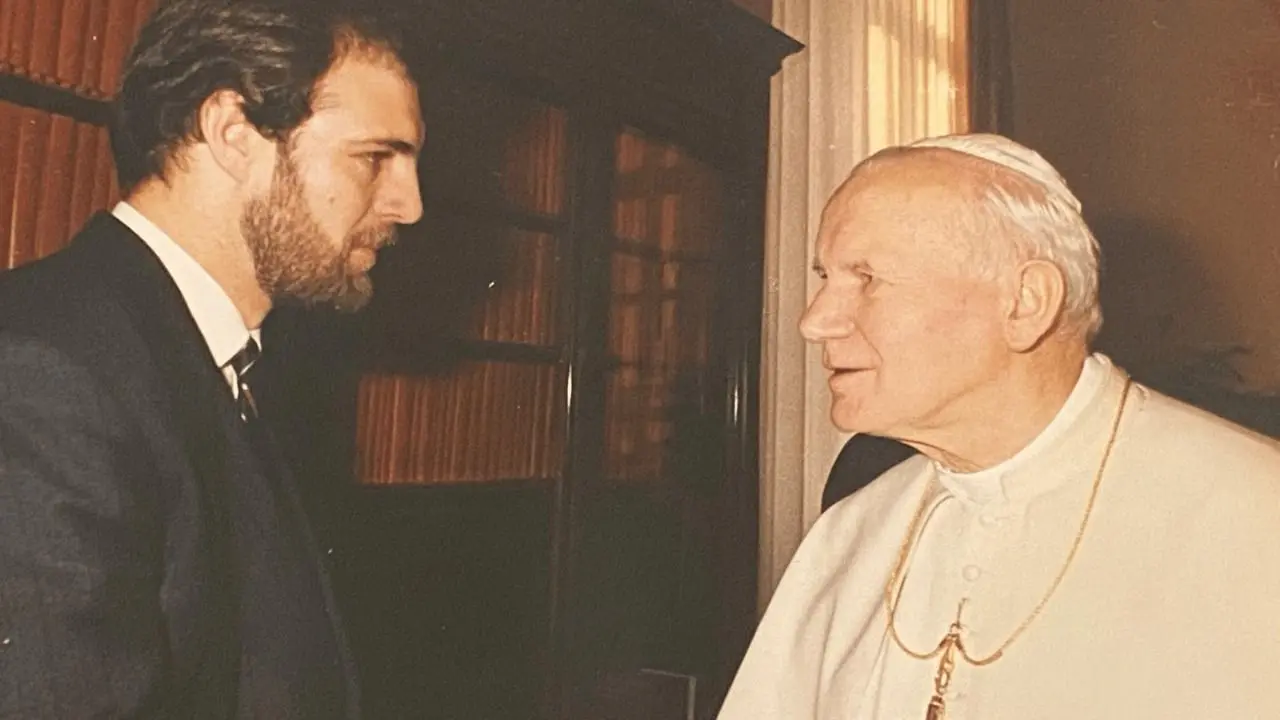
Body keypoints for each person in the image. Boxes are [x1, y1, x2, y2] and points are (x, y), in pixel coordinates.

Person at [717, 133, 1280, 719]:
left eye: (867, 279)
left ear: (1025, 302)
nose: (814, 321)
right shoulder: (850, 530)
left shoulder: (1254, 514)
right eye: (824, 278)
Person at [0, 0, 423, 716]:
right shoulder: (46, 371)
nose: (409, 204)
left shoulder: (230, 363)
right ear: (232, 133)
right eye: (374, 158)